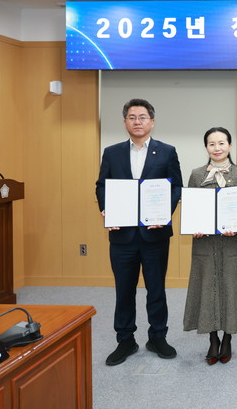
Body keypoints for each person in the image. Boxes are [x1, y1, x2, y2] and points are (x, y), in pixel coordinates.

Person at [95, 98, 183, 366]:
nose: (137, 121)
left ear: (152, 122)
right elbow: (102, 185)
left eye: (142, 117)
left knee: (156, 288)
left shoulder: (167, 151)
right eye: (132, 117)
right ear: (125, 122)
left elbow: (176, 187)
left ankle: (158, 337)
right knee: (124, 290)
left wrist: (164, 214)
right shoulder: (112, 152)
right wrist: (106, 209)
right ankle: (125, 340)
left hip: (155, 234)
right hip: (122, 235)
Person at [183, 127, 237, 365]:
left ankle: (228, 338)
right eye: (212, 144)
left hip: (231, 241)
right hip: (204, 242)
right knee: (207, 287)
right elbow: (191, 205)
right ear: (206, 147)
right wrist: (194, 225)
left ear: (230, 145)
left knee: (230, 286)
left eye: (222, 143)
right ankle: (212, 338)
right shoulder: (196, 174)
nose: (217, 148)